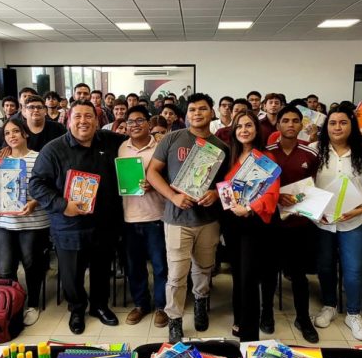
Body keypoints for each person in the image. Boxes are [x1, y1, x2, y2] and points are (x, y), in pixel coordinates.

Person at [30, 100, 127, 334]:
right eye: (78, 117)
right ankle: (77, 309)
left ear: (97, 120)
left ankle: (99, 306)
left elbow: (136, 146)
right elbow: (36, 184)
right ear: (68, 120)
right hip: (69, 223)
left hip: (105, 221)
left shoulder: (110, 141)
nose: (83, 121)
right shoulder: (53, 149)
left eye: (88, 116)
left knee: (102, 267)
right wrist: (63, 205)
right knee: (72, 273)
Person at [146, 93, 228, 343]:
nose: (197, 113)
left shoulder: (222, 146)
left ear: (211, 112)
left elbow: (228, 183)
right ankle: (175, 318)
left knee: (204, 269)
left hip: (208, 220)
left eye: (203, 109)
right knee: (176, 274)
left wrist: (216, 193)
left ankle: (201, 304)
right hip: (176, 219)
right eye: (192, 109)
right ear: (186, 114)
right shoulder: (172, 138)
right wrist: (172, 196)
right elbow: (152, 173)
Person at [313, 104, 362, 341]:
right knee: (324, 266)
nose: (337, 127)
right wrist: (313, 208)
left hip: (354, 220)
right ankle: (329, 305)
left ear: (352, 126)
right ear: (326, 126)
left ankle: (353, 313)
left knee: (353, 270)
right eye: (332, 123)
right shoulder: (315, 151)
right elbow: (306, 184)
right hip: (322, 221)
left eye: (343, 122)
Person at [223, 110, 279, 342]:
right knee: (237, 275)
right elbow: (223, 188)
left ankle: (249, 335)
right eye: (239, 126)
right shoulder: (230, 157)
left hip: (253, 223)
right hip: (232, 223)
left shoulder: (265, 157)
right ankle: (239, 320)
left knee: (248, 278)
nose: (243, 130)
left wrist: (250, 208)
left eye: (248, 126)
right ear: (234, 131)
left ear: (257, 130)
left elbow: (272, 193)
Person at [267, 106, 321, 342]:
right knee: (268, 272)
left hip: (300, 224)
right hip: (272, 223)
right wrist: (276, 196)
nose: (290, 124)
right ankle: (266, 313)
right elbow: (258, 187)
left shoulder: (310, 154)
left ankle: (303, 318)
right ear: (277, 125)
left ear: (301, 125)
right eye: (285, 120)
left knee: (299, 274)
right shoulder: (265, 153)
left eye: (295, 121)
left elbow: (316, 187)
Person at [0, 118, 49, 327]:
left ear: (25, 134)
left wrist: (33, 203)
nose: (12, 136)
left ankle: (33, 303)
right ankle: (12, 304)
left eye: (16, 131)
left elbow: (49, 188)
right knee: (5, 268)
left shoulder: (40, 158)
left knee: (32, 265)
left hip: (33, 222)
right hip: (5, 223)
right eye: (7, 133)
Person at [118, 106, 169, 328]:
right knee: (134, 265)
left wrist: (155, 184)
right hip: (130, 217)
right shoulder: (121, 148)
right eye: (130, 122)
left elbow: (171, 177)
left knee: (160, 265)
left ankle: (161, 306)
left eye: (140, 121)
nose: (135, 125)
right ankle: (141, 304)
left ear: (149, 123)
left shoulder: (161, 146)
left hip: (156, 215)